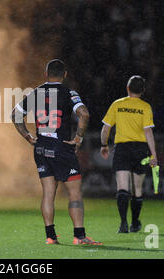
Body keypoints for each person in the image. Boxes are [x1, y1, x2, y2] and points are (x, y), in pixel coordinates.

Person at [11, 59, 102, 245]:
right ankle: (79, 236)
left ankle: (50, 236)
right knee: (74, 193)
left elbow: (15, 114)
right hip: (61, 148)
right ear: (65, 75)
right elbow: (84, 114)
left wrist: (28, 136)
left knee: (48, 193)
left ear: (46, 74)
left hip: (41, 147)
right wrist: (78, 138)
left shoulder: (35, 93)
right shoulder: (69, 93)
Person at [100, 75, 158, 233]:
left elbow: (106, 128)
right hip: (140, 149)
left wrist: (104, 145)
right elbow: (148, 132)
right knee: (137, 188)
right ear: (143, 90)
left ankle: (123, 223)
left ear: (127, 88)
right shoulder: (145, 107)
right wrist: (153, 155)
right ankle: (135, 223)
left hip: (122, 148)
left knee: (122, 187)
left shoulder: (117, 104)